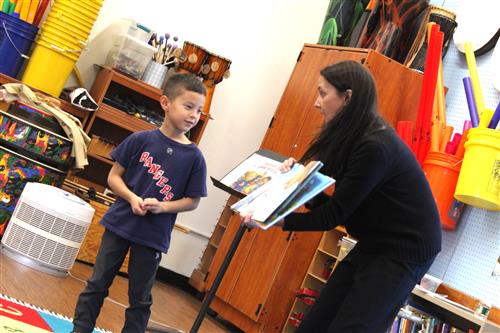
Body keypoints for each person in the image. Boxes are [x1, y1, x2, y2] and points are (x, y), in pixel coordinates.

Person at [243, 60, 441, 333]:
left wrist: (280, 220)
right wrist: (298, 181)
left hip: (404, 250)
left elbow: (333, 215)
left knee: (351, 327)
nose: (316, 102)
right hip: (374, 240)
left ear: (347, 97)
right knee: (316, 323)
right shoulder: (347, 136)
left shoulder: (374, 146)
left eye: (323, 93)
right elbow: (328, 200)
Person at [72, 74, 208, 333]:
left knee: (140, 298)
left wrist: (163, 207)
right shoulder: (140, 140)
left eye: (199, 110)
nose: (194, 115)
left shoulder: (194, 157)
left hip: (153, 235)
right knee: (98, 283)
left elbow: (192, 201)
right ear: (166, 103)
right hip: (120, 223)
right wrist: (132, 197)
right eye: (188, 106)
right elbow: (114, 177)